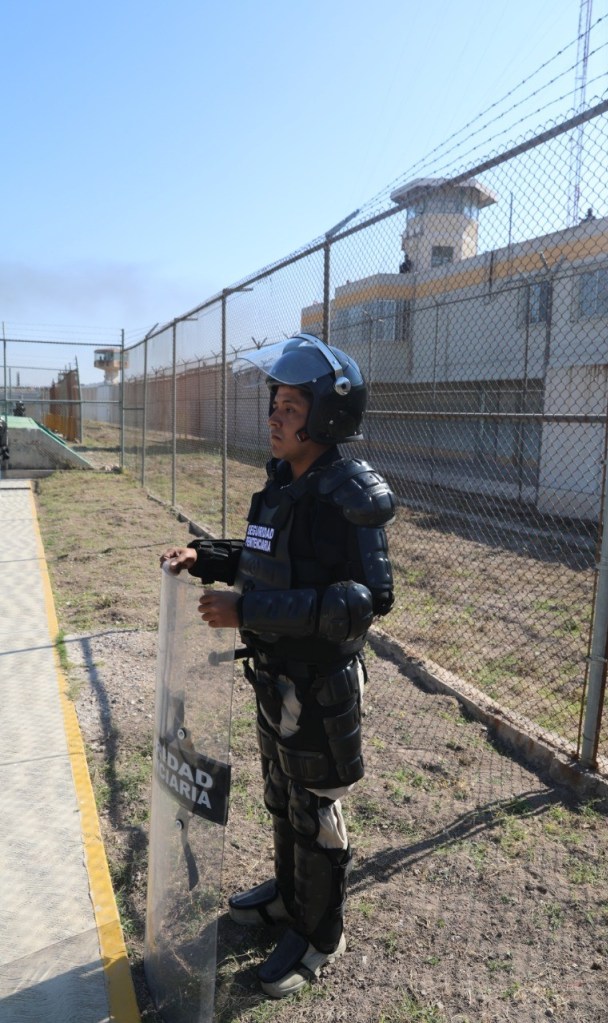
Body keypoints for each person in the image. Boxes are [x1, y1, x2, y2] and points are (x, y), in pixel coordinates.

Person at [161, 334, 395, 999]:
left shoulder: (350, 494)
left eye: (292, 407)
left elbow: (366, 600)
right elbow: (266, 557)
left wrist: (248, 609)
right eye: (276, 404)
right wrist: (207, 557)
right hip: (273, 673)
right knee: (281, 795)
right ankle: (290, 896)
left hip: (319, 685)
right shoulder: (282, 484)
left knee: (314, 810)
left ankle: (320, 934)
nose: (275, 417)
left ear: (327, 416)